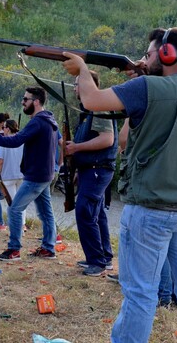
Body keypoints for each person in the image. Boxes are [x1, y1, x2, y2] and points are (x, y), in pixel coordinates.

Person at [62, 27, 177, 343]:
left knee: (140, 292)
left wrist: (82, 69)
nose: (143, 59)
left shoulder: (147, 87)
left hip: (153, 209)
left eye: (148, 53)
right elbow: (125, 139)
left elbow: (91, 98)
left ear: (166, 54)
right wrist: (139, 89)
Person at [0, 87, 59, 261]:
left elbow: (16, 140)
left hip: (36, 176)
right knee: (45, 213)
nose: (23, 102)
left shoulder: (38, 121)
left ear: (36, 102)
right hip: (44, 174)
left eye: (25, 99)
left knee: (14, 209)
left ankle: (14, 250)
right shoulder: (48, 120)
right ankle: (48, 248)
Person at [64, 71, 118, 277]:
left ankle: (97, 262)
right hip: (91, 169)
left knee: (85, 212)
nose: (75, 88)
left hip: (98, 168)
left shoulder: (100, 109)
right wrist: (78, 167)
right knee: (97, 214)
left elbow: (107, 140)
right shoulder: (88, 110)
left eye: (78, 84)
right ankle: (103, 257)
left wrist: (76, 148)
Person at [0, 119, 24, 231]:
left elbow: (0, 161)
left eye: (4, 127)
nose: (2, 130)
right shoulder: (22, 141)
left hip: (8, 175)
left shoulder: (4, 142)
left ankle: (15, 225)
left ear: (8, 129)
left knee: (12, 203)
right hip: (21, 175)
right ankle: (22, 224)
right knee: (21, 201)